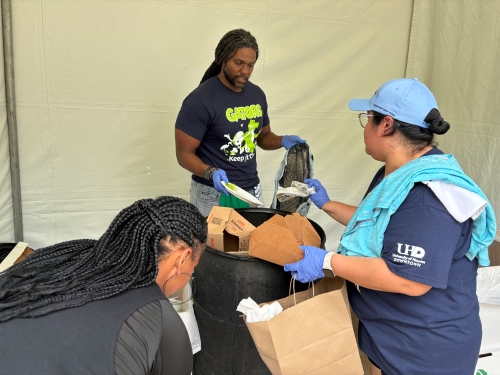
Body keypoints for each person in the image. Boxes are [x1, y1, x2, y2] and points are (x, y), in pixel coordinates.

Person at [284, 78, 496, 375]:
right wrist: (327, 204)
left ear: (386, 125)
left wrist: (328, 261)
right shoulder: (399, 172)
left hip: (422, 353)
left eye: (367, 118)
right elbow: (386, 226)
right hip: (387, 337)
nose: (365, 127)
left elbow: (408, 279)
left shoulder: (429, 197)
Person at [0, 196, 208, 375]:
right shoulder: (164, 324)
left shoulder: (71, 256)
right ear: (183, 258)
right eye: (193, 268)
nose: (189, 275)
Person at [175, 28, 306, 216]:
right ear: (222, 59)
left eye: (251, 65)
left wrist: (282, 140)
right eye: (239, 63)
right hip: (213, 193)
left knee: (249, 244)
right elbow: (184, 154)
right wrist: (209, 172)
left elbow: (263, 137)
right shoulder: (200, 100)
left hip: (250, 191)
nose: (245, 71)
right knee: (211, 246)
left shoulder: (257, 95)